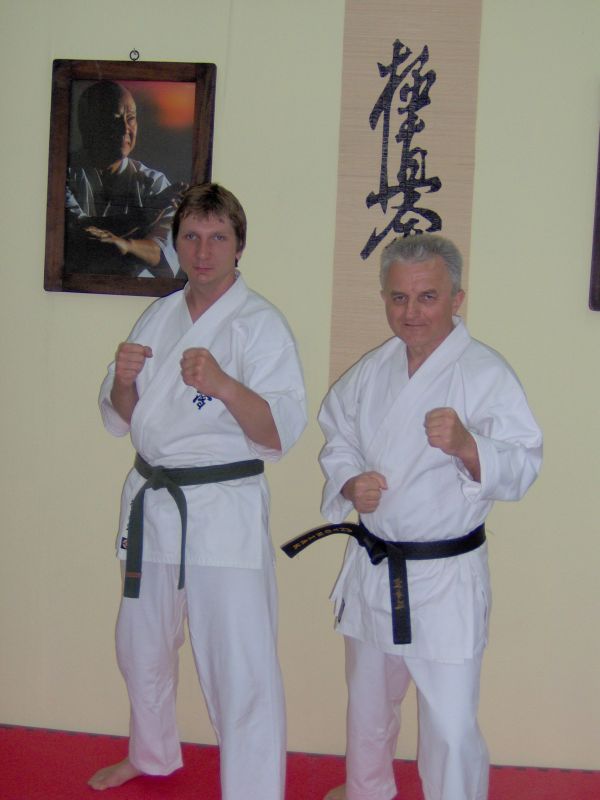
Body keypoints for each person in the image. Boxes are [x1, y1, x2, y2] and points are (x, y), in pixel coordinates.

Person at [90, 183, 307, 800]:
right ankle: (152, 753)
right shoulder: (160, 315)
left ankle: (253, 789)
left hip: (221, 508)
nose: (203, 251)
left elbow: (279, 433)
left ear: (239, 246)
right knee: (140, 646)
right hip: (154, 501)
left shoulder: (261, 325)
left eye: (218, 238)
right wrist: (124, 383)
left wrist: (225, 386)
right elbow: (124, 417)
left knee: (239, 664)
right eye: (191, 236)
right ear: (177, 243)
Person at [315, 234, 542, 800]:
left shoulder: (485, 373)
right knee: (369, 707)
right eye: (399, 298)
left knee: (450, 725)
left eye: (427, 297)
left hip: (444, 578)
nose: (411, 312)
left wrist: (468, 446)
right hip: (376, 566)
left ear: (457, 299)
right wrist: (350, 481)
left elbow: (524, 463)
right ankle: (367, 792)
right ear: (384, 299)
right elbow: (337, 435)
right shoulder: (374, 370)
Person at [66, 80, 185, 277]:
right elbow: (79, 232)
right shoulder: (64, 174)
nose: (124, 129)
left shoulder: (154, 183)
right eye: (113, 119)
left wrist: (125, 245)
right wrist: (145, 215)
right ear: (86, 125)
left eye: (130, 119)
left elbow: (162, 257)